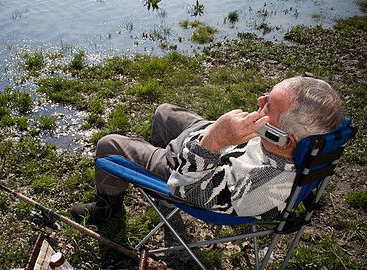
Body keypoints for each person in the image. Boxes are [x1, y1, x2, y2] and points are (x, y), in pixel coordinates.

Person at [70, 76, 344, 224]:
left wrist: (215, 137)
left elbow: (187, 187)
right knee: (164, 113)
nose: (259, 101)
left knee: (108, 145)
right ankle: (155, 160)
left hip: (188, 173)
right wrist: (221, 133)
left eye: (267, 106)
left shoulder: (257, 189)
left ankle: (109, 208)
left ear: (284, 139)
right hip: (209, 151)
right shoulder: (295, 147)